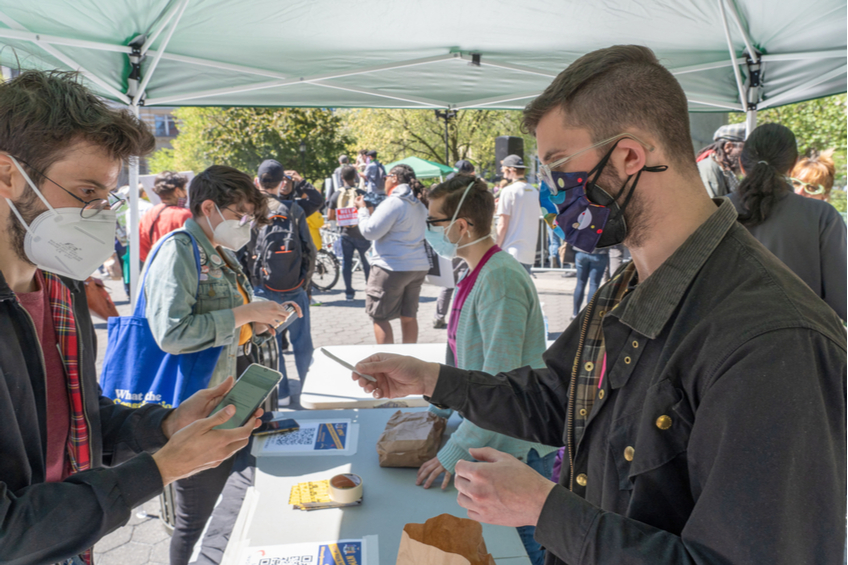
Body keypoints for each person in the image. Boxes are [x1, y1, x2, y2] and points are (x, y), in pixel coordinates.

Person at [351, 45, 846, 565]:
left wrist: (545, 508)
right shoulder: (630, 284)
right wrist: (433, 379)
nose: (553, 194)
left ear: (631, 156)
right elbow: (557, 398)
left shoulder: (774, 340)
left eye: (559, 168)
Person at [0, 70, 265, 564]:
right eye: (85, 194)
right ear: (7, 174)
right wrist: (158, 469)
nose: (100, 217)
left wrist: (164, 426)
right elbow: (8, 530)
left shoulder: (60, 287)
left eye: (107, 198)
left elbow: (76, 417)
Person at [143, 165, 301, 565]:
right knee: (196, 517)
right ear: (208, 206)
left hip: (236, 400)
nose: (246, 224)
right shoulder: (180, 249)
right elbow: (171, 333)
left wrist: (263, 321)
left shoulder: (219, 252)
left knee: (231, 503)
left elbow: (233, 331)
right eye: (240, 214)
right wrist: (243, 313)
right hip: (200, 408)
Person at [419, 176, 558, 565]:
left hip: (517, 444)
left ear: (462, 225)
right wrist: (440, 406)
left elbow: (502, 384)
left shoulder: (500, 278)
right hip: (492, 434)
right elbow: (463, 360)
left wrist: (453, 452)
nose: (429, 232)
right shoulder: (476, 273)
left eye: (434, 222)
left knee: (529, 548)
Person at [728, 123, 846, 320]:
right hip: (799, 343)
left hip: (723, 341)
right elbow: (842, 300)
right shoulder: (822, 216)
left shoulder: (709, 210)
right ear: (792, 166)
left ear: (741, 163)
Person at [246, 159, 316, 406]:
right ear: (281, 183)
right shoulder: (293, 210)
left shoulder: (251, 211)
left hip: (262, 287)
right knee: (302, 341)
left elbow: (243, 250)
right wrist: (304, 284)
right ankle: (310, 390)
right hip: (294, 288)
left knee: (271, 341)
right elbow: (310, 250)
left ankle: (283, 392)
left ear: (258, 181)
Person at [355, 163, 429, 344]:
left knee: (379, 317)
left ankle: (388, 367)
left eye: (385, 177)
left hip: (390, 267)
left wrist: (362, 211)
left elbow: (370, 231)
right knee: (409, 316)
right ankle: (409, 362)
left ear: (394, 178)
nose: (384, 181)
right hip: (417, 267)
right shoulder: (419, 204)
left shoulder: (394, 203)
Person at [433, 160, 475, 328]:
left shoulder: (444, 190)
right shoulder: (469, 192)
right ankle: (460, 318)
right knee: (465, 279)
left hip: (449, 238)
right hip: (464, 238)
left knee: (449, 280)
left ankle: (440, 316)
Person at [328, 164, 371, 301]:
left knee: (346, 263)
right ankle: (370, 289)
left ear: (341, 177)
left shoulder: (336, 195)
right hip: (361, 234)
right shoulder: (361, 193)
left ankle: (349, 292)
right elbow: (370, 212)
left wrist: (342, 219)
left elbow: (329, 216)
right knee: (366, 263)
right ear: (355, 176)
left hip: (346, 234)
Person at [496, 154, 540, 273]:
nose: (502, 172)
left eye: (503, 169)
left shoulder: (508, 191)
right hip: (529, 252)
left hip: (511, 252)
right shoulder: (534, 191)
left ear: (511, 170)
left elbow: (502, 225)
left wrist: (495, 248)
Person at [139, 170, 192, 262]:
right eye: (184, 189)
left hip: (155, 269)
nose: (185, 193)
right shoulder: (186, 215)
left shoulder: (147, 215)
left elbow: (142, 251)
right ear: (177, 191)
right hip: (181, 270)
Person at [695, 123, 745, 198]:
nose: (750, 155)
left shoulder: (727, 171)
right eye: (746, 149)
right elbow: (711, 207)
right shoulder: (709, 168)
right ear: (728, 147)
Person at [571, 246, 609, 320]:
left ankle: (575, 314)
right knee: (594, 284)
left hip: (581, 250)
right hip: (599, 252)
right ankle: (589, 315)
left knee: (580, 283)